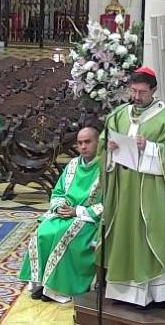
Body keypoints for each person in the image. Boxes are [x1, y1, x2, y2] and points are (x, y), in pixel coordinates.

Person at [102, 66, 165, 307]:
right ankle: (122, 293)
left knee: (149, 236)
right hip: (124, 188)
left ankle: (158, 293)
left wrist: (150, 147)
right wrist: (108, 149)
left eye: (142, 92)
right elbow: (103, 143)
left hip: (150, 190)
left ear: (154, 90)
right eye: (133, 91)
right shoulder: (119, 115)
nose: (137, 96)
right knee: (124, 237)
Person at [18, 126, 103, 303]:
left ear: (98, 142)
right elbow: (58, 192)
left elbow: (111, 202)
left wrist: (78, 211)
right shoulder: (72, 164)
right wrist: (59, 207)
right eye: (80, 143)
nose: (83, 146)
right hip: (66, 213)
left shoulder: (106, 168)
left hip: (89, 219)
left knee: (64, 236)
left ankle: (58, 289)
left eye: (88, 142)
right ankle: (42, 283)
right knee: (43, 232)